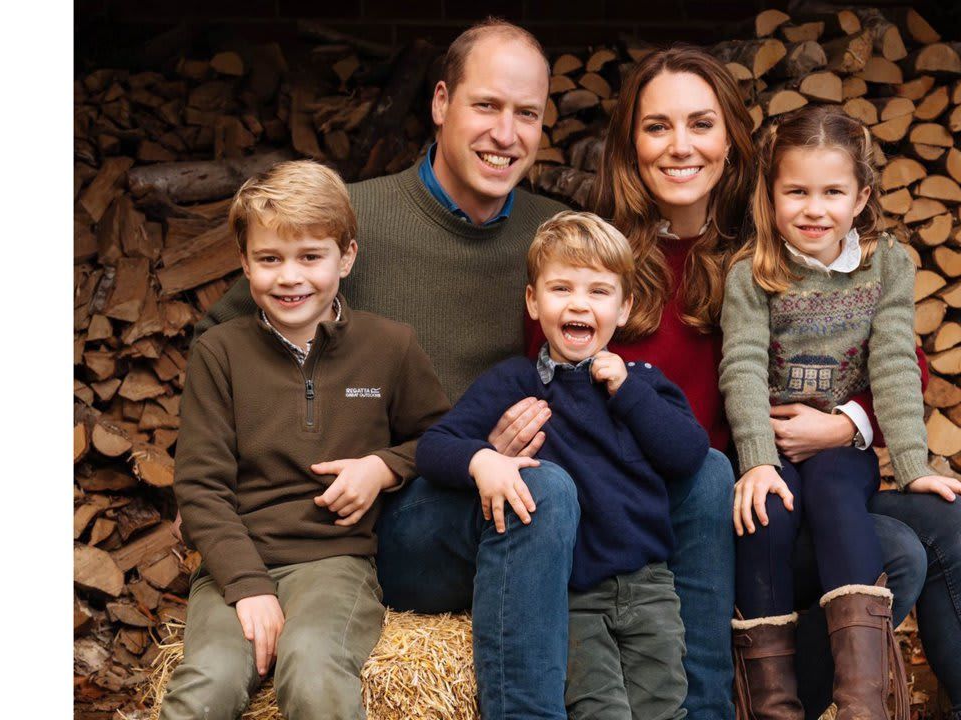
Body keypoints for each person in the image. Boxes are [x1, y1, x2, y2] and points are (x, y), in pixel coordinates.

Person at [190, 20, 737, 720]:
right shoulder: (353, 223)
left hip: (536, 497)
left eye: (527, 114)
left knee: (706, 474)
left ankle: (707, 709)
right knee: (547, 492)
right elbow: (228, 342)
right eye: (487, 106)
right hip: (404, 518)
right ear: (441, 101)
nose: (505, 133)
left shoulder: (555, 233)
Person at [579, 46, 961, 720]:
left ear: (731, 140)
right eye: (657, 126)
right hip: (711, 502)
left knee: (946, 518)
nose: (680, 146)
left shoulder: (775, 242)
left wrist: (847, 424)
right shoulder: (602, 262)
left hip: (809, 466)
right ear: (630, 142)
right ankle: (788, 705)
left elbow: (902, 358)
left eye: (700, 124)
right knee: (896, 552)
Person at [163, 160, 450, 720]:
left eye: (310, 257)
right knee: (206, 684)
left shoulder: (390, 346)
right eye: (269, 259)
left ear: (346, 257)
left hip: (335, 563)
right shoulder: (219, 353)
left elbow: (439, 437)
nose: (289, 277)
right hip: (233, 564)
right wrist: (249, 587)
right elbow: (199, 487)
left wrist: (383, 467)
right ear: (244, 263)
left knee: (313, 667)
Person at [718, 106, 961, 719]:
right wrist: (755, 461)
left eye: (833, 191)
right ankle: (771, 706)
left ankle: (862, 702)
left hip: (841, 449)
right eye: (797, 192)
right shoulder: (752, 271)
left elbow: (892, 363)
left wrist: (913, 467)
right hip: (770, 448)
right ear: (770, 194)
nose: (814, 209)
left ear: (861, 196)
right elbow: (743, 365)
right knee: (766, 515)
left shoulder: (887, 265)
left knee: (838, 493)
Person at [419, 211, 708, 720]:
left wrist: (626, 391)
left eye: (599, 291)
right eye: (561, 289)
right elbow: (435, 446)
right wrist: (483, 459)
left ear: (625, 308)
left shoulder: (643, 383)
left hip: (650, 587)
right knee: (600, 710)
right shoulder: (515, 382)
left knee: (664, 706)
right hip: (575, 593)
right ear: (534, 302)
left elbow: (687, 456)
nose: (579, 303)